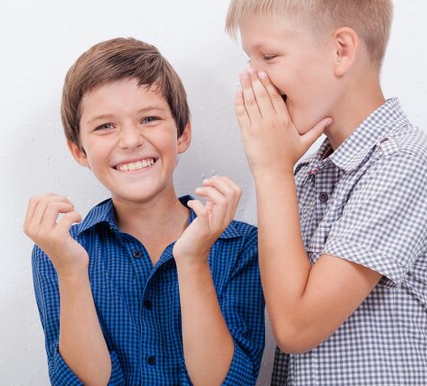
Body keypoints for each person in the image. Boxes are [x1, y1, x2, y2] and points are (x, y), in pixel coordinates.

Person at [225, 0, 427, 385]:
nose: (254, 78)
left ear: (341, 50)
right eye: (249, 60)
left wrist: (270, 170)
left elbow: (296, 327)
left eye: (268, 57)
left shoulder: (404, 163)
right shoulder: (307, 173)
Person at [23, 37, 264, 385]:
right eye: (105, 126)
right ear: (79, 150)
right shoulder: (57, 253)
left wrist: (193, 260)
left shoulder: (239, 246)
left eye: (149, 118)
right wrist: (72, 272)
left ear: (182, 133)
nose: (131, 140)